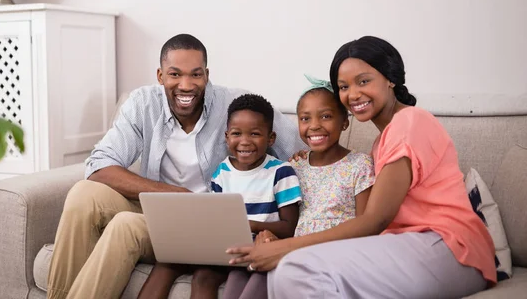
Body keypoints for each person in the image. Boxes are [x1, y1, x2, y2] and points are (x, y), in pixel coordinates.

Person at [227, 36, 496, 298]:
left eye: (363, 81)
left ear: (390, 78)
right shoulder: (383, 140)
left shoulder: (409, 123)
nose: (353, 94)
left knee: (294, 269)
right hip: (403, 244)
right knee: (286, 270)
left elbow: (373, 220)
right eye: (343, 87)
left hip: (450, 247)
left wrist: (285, 248)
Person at [46, 34, 305, 299]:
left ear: (207, 74)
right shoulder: (143, 104)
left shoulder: (236, 107)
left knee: (124, 225)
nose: (186, 85)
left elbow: (303, 153)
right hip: (158, 210)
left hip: (205, 224)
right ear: (160, 76)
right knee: (82, 192)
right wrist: (173, 194)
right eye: (175, 74)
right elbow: (99, 165)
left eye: (195, 74)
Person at [223, 75, 374, 299]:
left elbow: (366, 226)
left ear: (344, 121)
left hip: (330, 255)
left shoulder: (359, 165)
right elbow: (286, 218)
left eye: (325, 116)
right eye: (305, 118)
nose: (314, 125)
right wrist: (269, 237)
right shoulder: (294, 165)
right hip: (289, 250)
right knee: (237, 275)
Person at [138, 93, 302, 299]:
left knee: (204, 275)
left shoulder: (281, 172)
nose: (244, 141)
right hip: (225, 250)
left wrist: (251, 225)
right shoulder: (222, 172)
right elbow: (215, 221)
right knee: (177, 266)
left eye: (254, 134)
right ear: (227, 137)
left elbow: (290, 227)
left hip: (259, 250)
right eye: (236, 133)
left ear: (271, 138)